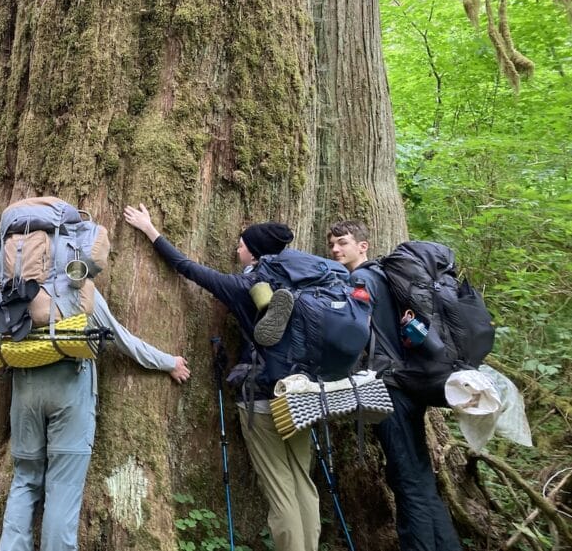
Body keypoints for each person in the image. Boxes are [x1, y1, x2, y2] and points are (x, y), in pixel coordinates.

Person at [0, 274, 190, 551]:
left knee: (24, 481)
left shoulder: (19, 292)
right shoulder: (81, 294)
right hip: (71, 391)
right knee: (63, 487)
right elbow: (123, 339)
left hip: (25, 393)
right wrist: (168, 362)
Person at [123, 204, 318, 551]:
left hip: (263, 397)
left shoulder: (243, 286)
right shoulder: (303, 281)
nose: (236, 250)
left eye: (241, 245)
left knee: (281, 488)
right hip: (304, 393)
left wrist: (150, 230)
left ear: (254, 253)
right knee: (303, 482)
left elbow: (186, 267)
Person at [328, 220, 462, 551]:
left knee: (406, 481)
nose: (335, 249)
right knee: (419, 478)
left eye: (343, 242)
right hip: (411, 383)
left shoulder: (360, 280)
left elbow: (355, 332)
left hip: (389, 387)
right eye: (331, 243)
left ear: (363, 246)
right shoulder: (386, 278)